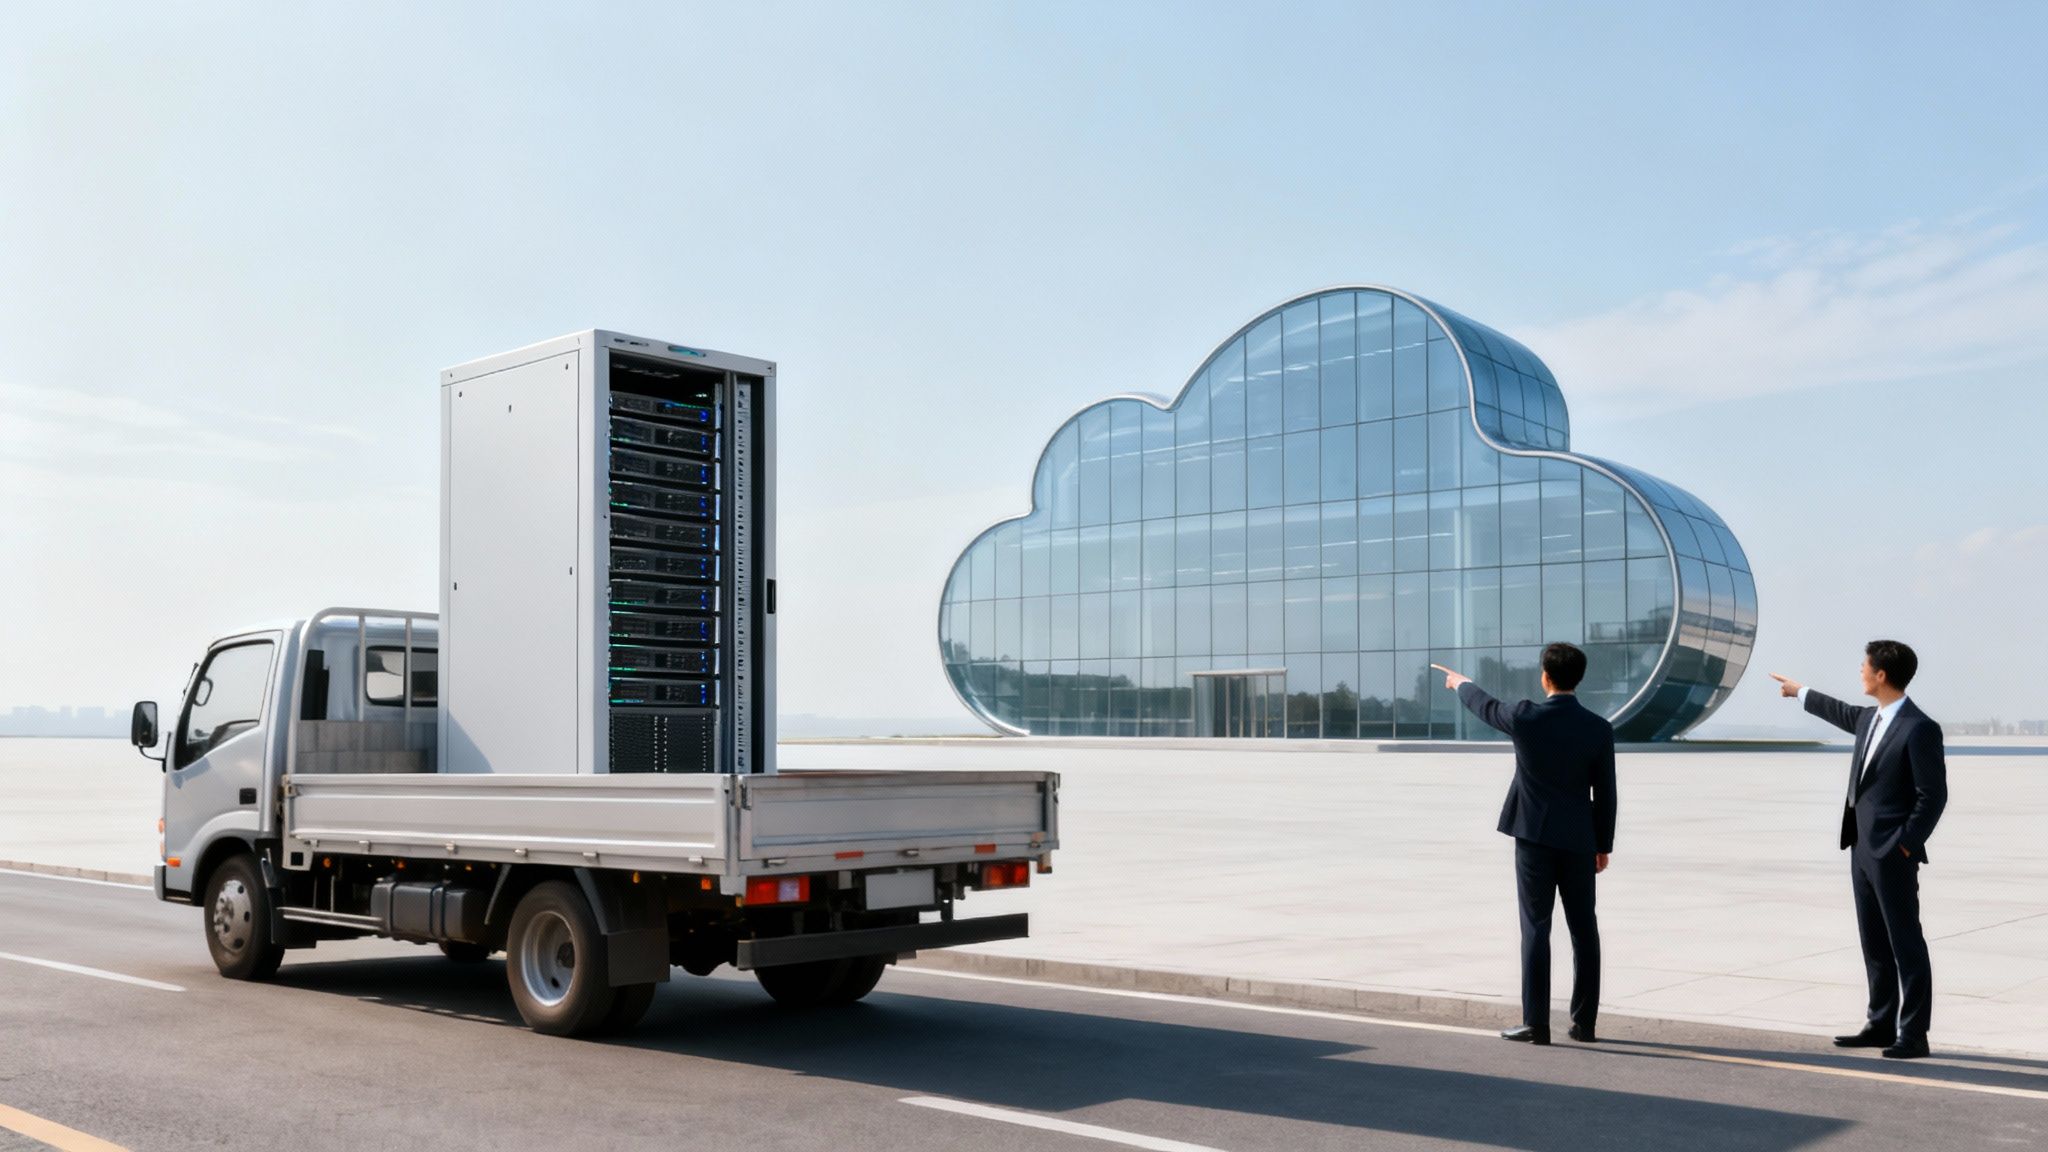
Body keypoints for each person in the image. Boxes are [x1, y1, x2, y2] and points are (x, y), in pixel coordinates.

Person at [1770, 640, 1947, 1060]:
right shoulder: (1870, 718)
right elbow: (1840, 712)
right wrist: (1800, 691)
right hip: (1861, 849)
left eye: (1864, 667)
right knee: (1873, 940)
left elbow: (1932, 796)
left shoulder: (1920, 727)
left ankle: (1914, 1033)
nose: (1860, 672)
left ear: (1882, 675)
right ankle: (1880, 1022)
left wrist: (1904, 845)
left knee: (1905, 941)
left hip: (1892, 852)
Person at [1433, 644, 1616, 1046]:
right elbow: (1606, 794)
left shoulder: (1524, 717)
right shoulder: (1598, 728)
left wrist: (1460, 683)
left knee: (1536, 927)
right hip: (1580, 841)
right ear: (1578, 678)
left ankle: (1537, 1024)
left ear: (1545, 677)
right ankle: (1584, 1024)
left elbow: (1485, 706)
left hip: (1534, 838)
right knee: (1584, 929)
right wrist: (1603, 845)